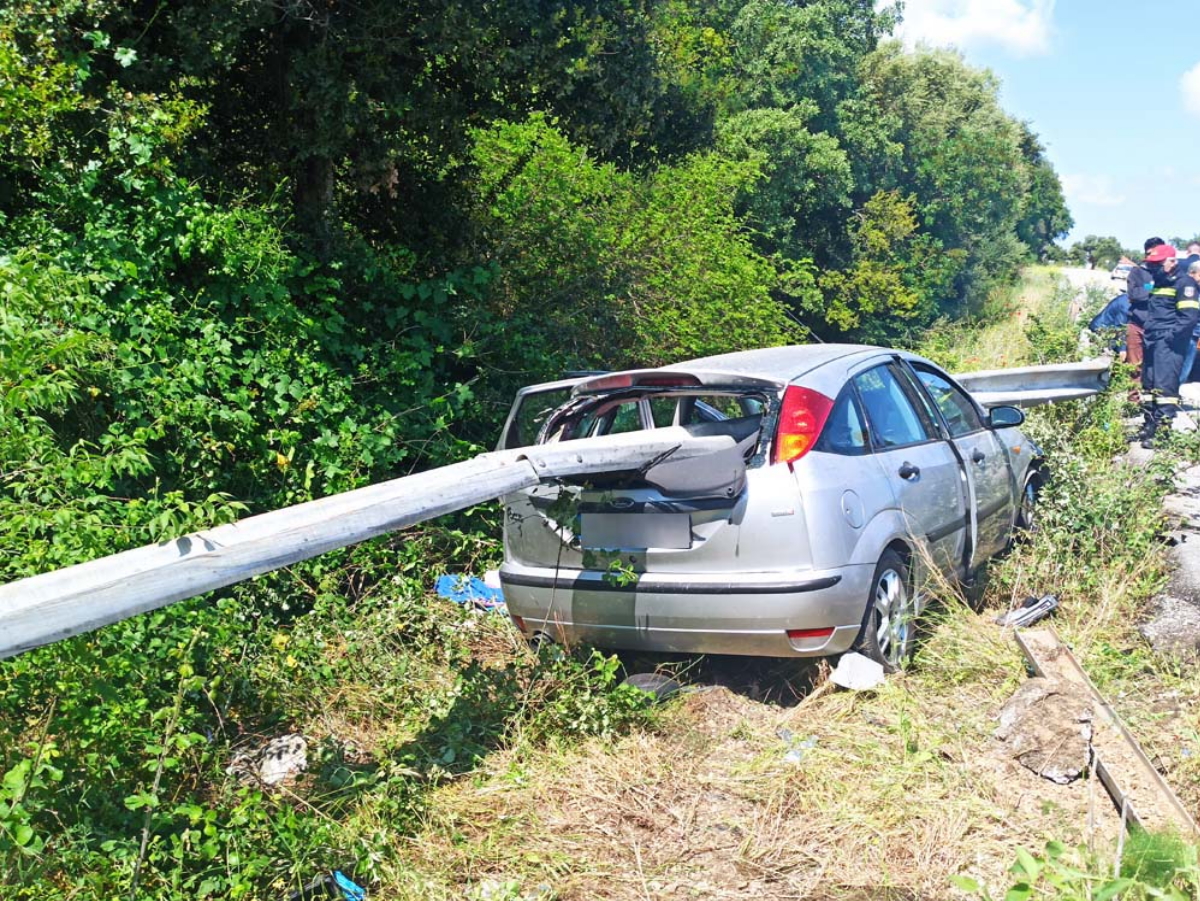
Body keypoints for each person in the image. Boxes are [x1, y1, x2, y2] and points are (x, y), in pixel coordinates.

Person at [1141, 251, 1200, 447]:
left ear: (1172, 262)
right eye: (1152, 264)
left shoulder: (1185, 284)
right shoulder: (1159, 281)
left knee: (1165, 387)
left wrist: (1170, 337)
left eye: (1158, 264)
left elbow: (1189, 317)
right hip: (1152, 340)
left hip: (1168, 343)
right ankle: (1149, 426)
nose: (1154, 268)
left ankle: (1162, 431)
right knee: (1149, 385)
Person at [1127, 237, 1166, 406]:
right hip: (1137, 324)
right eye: (1151, 253)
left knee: (1156, 367)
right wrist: (1152, 291)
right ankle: (1133, 402)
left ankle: (1153, 403)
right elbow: (1134, 295)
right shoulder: (1137, 272)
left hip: (1159, 327)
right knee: (1134, 366)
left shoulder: (1167, 273)